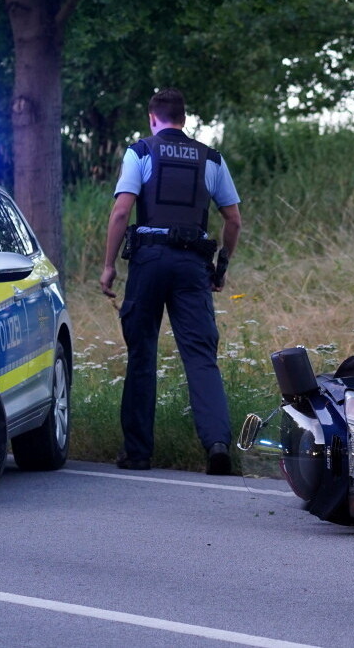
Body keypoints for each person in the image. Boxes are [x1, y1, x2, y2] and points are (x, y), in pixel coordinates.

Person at [100, 88, 242, 475]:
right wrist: (221, 267)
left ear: (152, 118)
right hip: (193, 265)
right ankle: (216, 444)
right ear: (184, 118)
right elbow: (233, 219)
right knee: (200, 357)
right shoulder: (211, 158)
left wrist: (109, 265)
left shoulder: (140, 152)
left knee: (142, 355)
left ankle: (138, 453)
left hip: (148, 261)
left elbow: (121, 211)